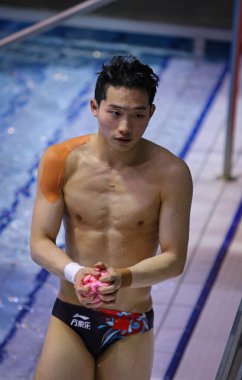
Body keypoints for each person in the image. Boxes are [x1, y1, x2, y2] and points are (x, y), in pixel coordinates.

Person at [30, 55, 193, 380]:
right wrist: (75, 273)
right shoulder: (60, 160)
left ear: (151, 114)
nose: (124, 127)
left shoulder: (172, 173)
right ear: (94, 107)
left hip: (129, 323)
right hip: (71, 314)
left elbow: (174, 259)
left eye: (137, 115)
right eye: (114, 113)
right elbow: (39, 241)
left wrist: (122, 276)